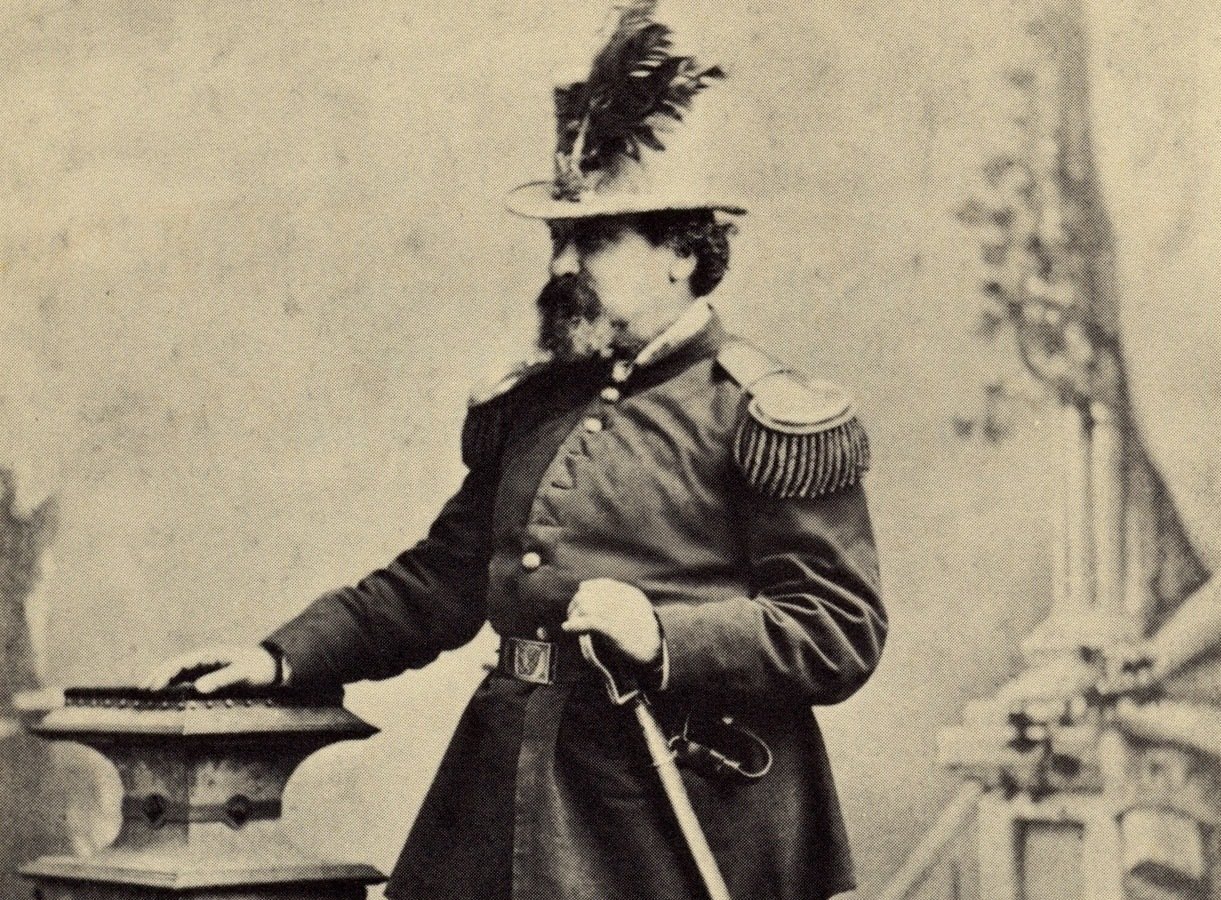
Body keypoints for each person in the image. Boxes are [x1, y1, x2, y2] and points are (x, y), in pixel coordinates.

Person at [145, 4, 886, 898]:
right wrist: (280, 657)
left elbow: (837, 629)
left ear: (681, 255)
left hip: (675, 806)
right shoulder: (538, 402)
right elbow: (442, 580)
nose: (563, 265)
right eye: (558, 239)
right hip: (509, 777)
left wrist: (662, 636)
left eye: (594, 239)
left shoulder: (762, 413)